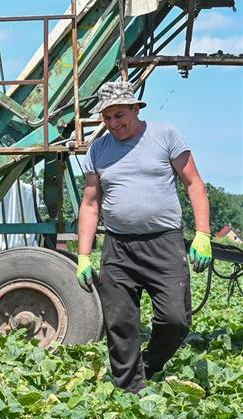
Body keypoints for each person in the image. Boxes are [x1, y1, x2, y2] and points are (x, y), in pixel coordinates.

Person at [75, 80, 212, 393]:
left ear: (136, 109)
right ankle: (130, 391)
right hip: (119, 247)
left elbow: (194, 184)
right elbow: (90, 203)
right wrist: (83, 255)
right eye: (107, 118)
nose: (113, 124)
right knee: (120, 323)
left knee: (176, 319)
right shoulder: (98, 149)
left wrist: (202, 233)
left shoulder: (165, 136)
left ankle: (148, 367)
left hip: (163, 243)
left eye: (119, 115)